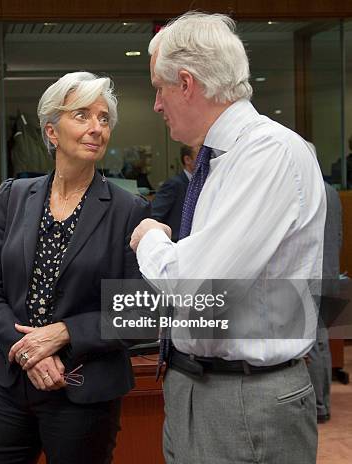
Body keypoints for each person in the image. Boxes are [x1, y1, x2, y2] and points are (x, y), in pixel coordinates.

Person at [130, 12, 325, 464]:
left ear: (186, 83)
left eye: (159, 89)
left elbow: (196, 284)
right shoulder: (221, 159)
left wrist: (150, 240)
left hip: (245, 397)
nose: (157, 104)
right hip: (199, 386)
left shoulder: (267, 153)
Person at [0, 71, 150, 464]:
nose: (96, 129)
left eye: (104, 119)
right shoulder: (14, 196)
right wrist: (29, 353)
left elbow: (138, 311)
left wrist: (65, 332)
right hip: (13, 383)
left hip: (85, 390)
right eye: (82, 116)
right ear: (51, 132)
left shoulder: (128, 210)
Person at [308, 180, 342, 423]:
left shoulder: (306, 191)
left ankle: (319, 406)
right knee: (323, 342)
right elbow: (338, 235)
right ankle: (324, 402)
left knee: (315, 342)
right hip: (331, 273)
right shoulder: (331, 192)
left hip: (311, 276)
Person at [150, 145, 197, 241]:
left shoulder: (202, 183)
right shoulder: (174, 184)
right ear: (187, 159)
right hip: (176, 243)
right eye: (201, 155)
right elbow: (154, 215)